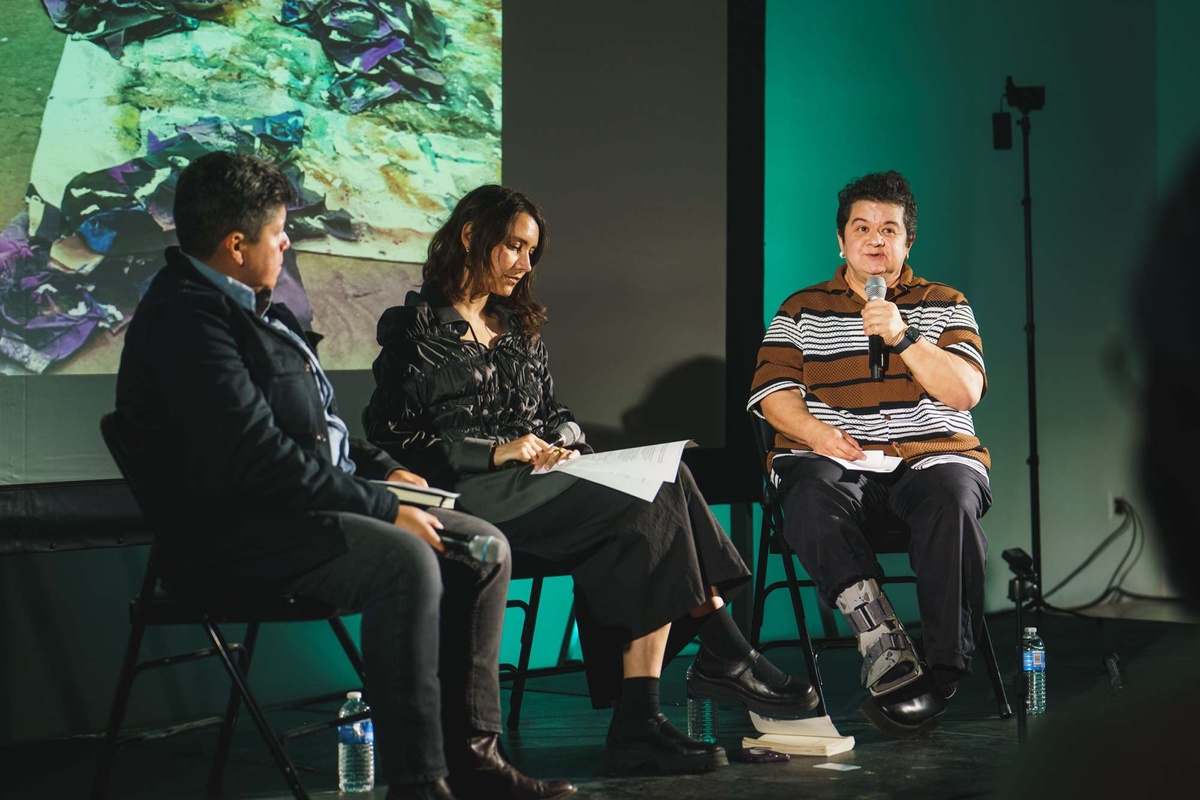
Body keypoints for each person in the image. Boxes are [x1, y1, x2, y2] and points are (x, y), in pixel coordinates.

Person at [114, 153, 575, 800]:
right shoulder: (187, 321)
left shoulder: (251, 306)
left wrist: (390, 470)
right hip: (237, 534)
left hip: (300, 509)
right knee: (407, 560)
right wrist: (385, 511)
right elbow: (259, 460)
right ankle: (418, 782)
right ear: (236, 244)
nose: (287, 244)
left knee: (482, 548)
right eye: (280, 234)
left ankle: (473, 758)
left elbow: (315, 431)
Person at [363, 184, 818, 775]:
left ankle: (650, 711)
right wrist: (495, 451)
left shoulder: (519, 328)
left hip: (542, 482)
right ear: (472, 235)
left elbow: (554, 413)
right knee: (646, 503)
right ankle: (715, 653)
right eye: (515, 247)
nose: (526, 265)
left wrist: (568, 440)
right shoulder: (413, 326)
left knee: (665, 478)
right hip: (473, 491)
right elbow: (393, 437)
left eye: (532, 253)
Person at [748, 170, 992, 738]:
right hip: (836, 459)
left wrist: (903, 338)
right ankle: (878, 634)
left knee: (953, 498)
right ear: (841, 240)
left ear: (909, 242)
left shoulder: (943, 303)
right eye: (862, 228)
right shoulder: (800, 308)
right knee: (805, 489)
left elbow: (964, 391)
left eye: (890, 229)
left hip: (929, 458)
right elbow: (772, 394)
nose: (875, 240)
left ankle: (941, 673)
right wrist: (813, 433)